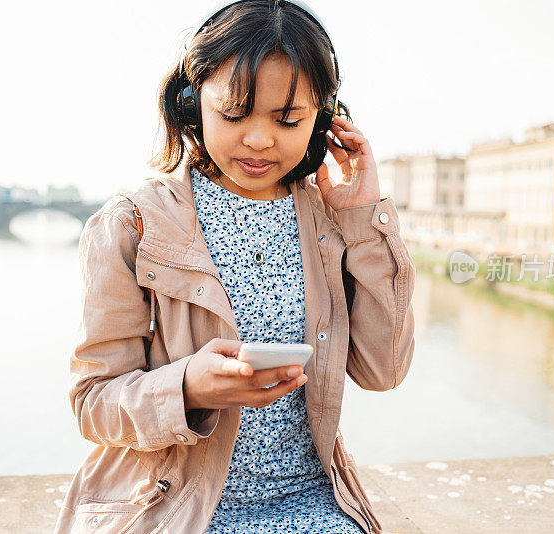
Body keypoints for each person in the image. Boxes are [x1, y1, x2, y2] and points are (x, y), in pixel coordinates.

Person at [53, 1, 416, 532]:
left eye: (288, 119)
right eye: (234, 114)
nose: (260, 139)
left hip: (313, 504)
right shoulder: (131, 224)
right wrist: (187, 389)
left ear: (326, 119)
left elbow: (383, 371)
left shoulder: (329, 218)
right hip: (171, 508)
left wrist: (364, 219)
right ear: (189, 103)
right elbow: (92, 404)